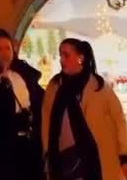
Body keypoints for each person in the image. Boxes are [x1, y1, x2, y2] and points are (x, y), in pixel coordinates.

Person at [43, 37, 127, 180]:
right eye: (60, 55)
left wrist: (124, 153)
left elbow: (119, 119)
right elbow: (46, 120)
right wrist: (46, 152)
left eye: (66, 55)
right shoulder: (55, 85)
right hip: (61, 158)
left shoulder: (99, 87)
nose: (61, 60)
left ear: (80, 58)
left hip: (95, 157)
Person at [0, 27, 44, 180]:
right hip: (4, 147)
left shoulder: (22, 74)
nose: (4, 53)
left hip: (29, 143)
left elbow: (39, 101)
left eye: (7, 48)